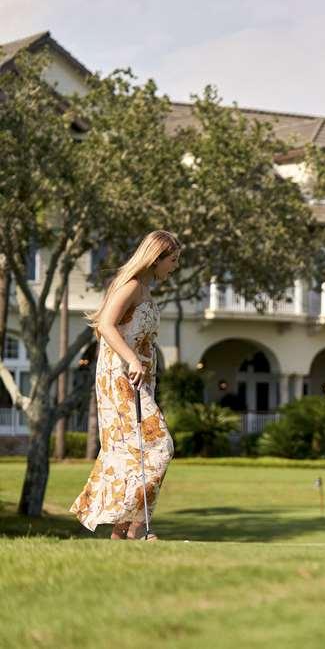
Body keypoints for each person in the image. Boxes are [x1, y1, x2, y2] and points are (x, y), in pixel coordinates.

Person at [70, 231, 181, 540]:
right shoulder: (131, 285)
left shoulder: (144, 289)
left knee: (138, 452)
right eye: (173, 260)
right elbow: (105, 324)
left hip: (138, 379)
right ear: (155, 257)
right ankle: (137, 527)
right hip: (119, 377)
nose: (175, 266)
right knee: (160, 445)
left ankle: (124, 531)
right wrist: (132, 360)